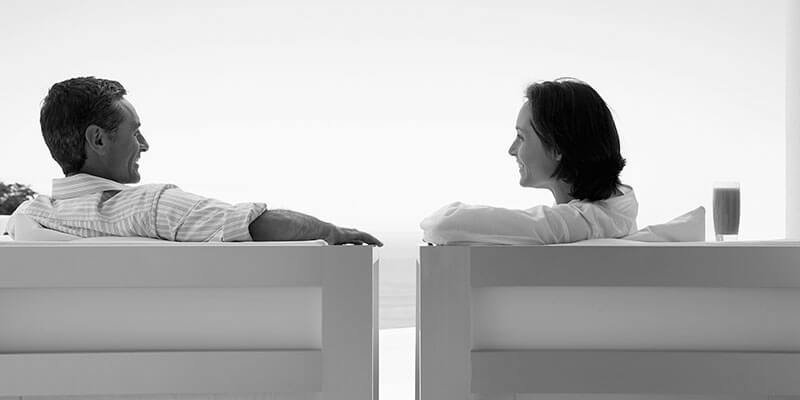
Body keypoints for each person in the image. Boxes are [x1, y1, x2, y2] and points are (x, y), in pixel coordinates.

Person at [16, 76, 381, 245]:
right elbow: (259, 225)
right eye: (134, 132)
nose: (144, 144)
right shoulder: (152, 208)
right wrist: (335, 232)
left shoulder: (29, 217)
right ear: (97, 139)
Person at [420, 78, 637, 244]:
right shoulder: (611, 215)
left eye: (521, 137)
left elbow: (446, 224)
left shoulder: (585, 222)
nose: (512, 150)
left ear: (557, 147)